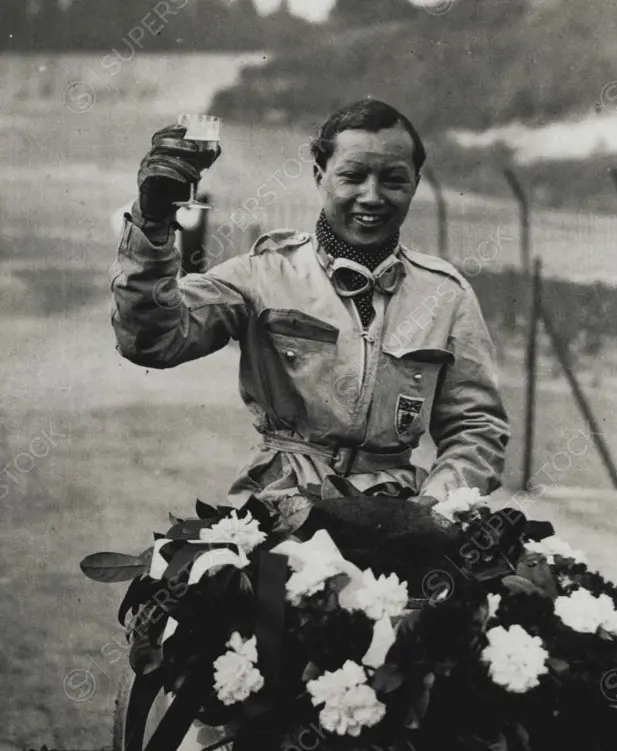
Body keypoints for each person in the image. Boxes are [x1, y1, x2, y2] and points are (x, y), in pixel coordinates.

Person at [111, 99, 509, 507]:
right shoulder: (262, 274)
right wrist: (153, 223)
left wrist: (437, 508)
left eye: (393, 181)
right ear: (320, 176)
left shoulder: (445, 294)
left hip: (398, 513)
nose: (372, 197)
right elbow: (152, 340)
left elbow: (475, 427)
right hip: (280, 507)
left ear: (415, 184)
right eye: (352, 177)